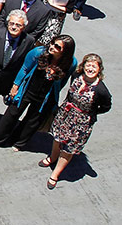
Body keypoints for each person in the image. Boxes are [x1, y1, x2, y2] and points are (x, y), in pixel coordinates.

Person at [0, 35, 76, 152]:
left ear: (65, 52)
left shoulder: (71, 63)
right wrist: (15, 86)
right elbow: (25, 68)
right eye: (52, 43)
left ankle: (19, 142)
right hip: (28, 89)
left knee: (33, 120)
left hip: (45, 95)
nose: (52, 47)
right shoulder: (39, 52)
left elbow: (63, 80)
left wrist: (55, 92)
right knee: (13, 112)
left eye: (57, 47)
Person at [43, 53, 112, 190]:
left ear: (99, 69)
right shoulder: (76, 76)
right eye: (88, 65)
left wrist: (89, 113)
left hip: (82, 123)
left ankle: (55, 174)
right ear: (83, 66)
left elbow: (106, 107)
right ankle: (52, 157)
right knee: (57, 138)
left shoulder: (101, 90)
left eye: (94, 66)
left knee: (69, 149)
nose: (90, 69)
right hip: (65, 114)